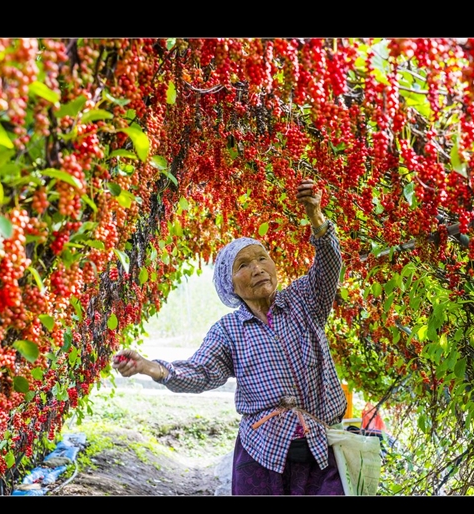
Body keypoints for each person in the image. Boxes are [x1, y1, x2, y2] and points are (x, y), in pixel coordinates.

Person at [112, 177, 348, 495]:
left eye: (262, 258)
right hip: (263, 451)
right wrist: (151, 368)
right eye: (244, 265)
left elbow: (329, 263)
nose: (258, 268)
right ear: (231, 286)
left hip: (322, 445)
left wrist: (315, 215)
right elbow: (201, 372)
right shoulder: (228, 330)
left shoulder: (305, 301)